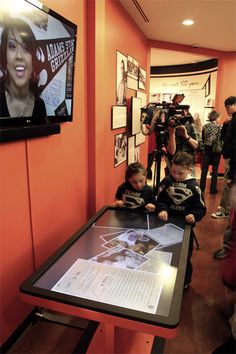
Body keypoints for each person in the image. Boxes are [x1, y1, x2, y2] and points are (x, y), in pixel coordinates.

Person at [156, 151, 206, 287]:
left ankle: (184, 281)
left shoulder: (195, 187)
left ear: (189, 170)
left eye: (180, 173)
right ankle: (164, 276)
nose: (176, 176)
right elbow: (159, 199)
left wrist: (194, 215)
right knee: (163, 251)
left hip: (185, 228)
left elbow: (201, 208)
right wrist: (162, 209)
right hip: (165, 225)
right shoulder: (167, 181)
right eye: (173, 172)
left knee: (184, 256)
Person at [0, 18, 46, 120]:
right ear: (4, 55)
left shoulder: (40, 105)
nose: (19, 56)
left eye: (25, 48)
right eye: (12, 46)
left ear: (33, 59)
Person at [213, 96, 236, 260]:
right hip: (231, 160)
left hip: (233, 163)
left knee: (234, 208)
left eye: (230, 105)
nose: (227, 108)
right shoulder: (230, 121)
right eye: (226, 105)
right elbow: (226, 140)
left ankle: (228, 247)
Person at [211, 115, 232, 218]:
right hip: (230, 156)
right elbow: (224, 137)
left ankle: (226, 210)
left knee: (227, 182)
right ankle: (227, 209)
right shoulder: (229, 123)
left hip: (232, 157)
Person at [199, 110, 222, 194]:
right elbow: (221, 140)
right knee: (215, 170)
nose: (220, 119)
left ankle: (201, 188)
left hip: (207, 150)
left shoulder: (205, 126)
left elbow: (203, 138)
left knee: (204, 171)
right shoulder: (220, 127)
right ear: (216, 118)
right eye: (219, 117)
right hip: (216, 151)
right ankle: (213, 189)